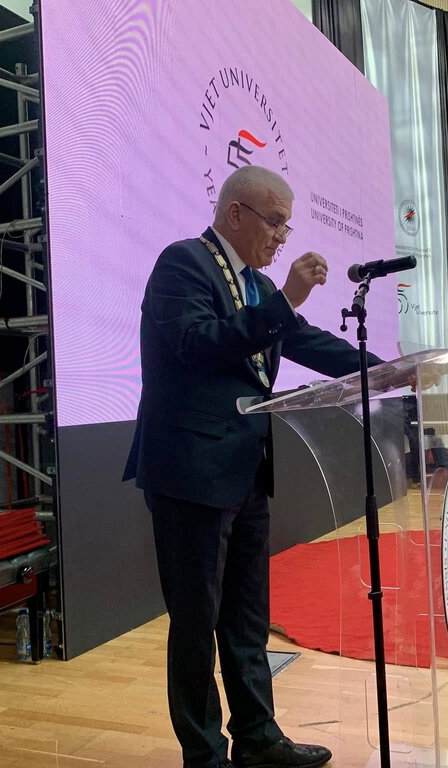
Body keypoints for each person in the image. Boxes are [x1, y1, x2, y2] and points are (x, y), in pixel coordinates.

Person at [123, 166, 385, 768]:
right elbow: (199, 343)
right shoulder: (182, 263)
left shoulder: (257, 286)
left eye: (286, 227)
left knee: (246, 619)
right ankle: (205, 755)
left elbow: (307, 341)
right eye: (275, 223)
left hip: (245, 470)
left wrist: (383, 370)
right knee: (196, 623)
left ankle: (258, 738)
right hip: (190, 473)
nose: (280, 238)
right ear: (235, 213)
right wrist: (285, 300)